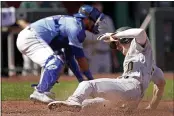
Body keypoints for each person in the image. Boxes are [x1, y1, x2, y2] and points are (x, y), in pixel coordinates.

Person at [48, 27, 166, 111]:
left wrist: (114, 36)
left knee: (88, 85)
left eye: (117, 43)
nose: (117, 47)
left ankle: (73, 100)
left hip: (129, 87)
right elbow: (161, 84)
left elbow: (140, 32)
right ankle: (70, 106)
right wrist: (152, 107)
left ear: (127, 39)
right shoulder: (151, 66)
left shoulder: (140, 48)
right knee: (88, 105)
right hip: (131, 99)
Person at [16, 5, 105, 103]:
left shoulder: (73, 24)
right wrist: (91, 81)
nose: (96, 23)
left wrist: (82, 80)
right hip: (30, 37)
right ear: (87, 19)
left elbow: (70, 59)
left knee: (59, 60)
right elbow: (81, 59)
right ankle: (40, 92)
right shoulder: (76, 28)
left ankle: (43, 91)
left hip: (29, 37)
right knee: (55, 61)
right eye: (95, 20)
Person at [83, 2, 120, 74]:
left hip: (106, 54)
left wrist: (114, 58)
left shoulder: (107, 19)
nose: (97, 7)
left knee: (106, 77)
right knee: (93, 78)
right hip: (93, 55)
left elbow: (113, 38)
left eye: (98, 4)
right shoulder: (87, 19)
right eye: (95, 4)